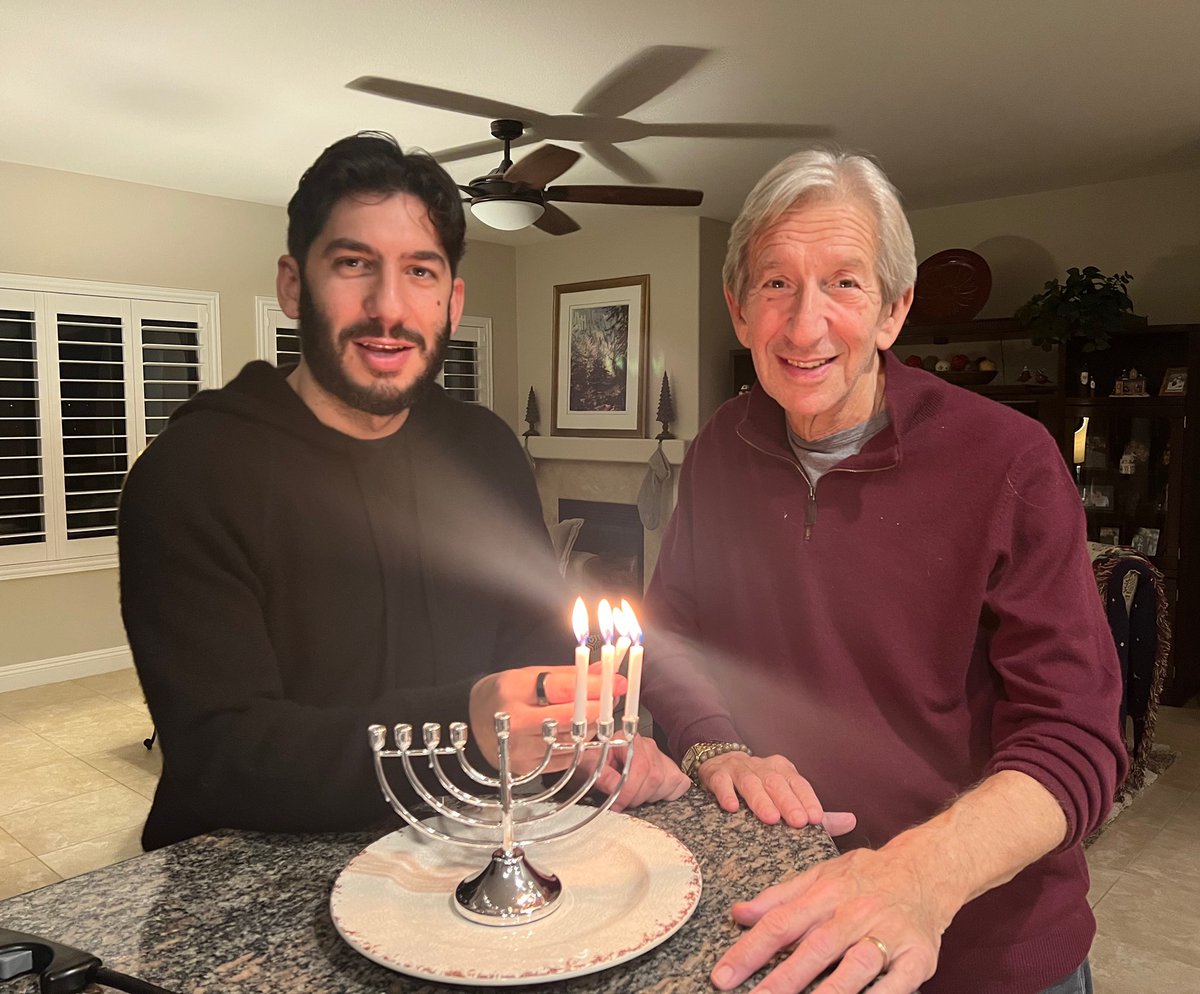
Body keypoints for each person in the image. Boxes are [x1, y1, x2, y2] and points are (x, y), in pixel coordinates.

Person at [641, 149, 1126, 994]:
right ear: (738, 308)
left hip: (981, 948)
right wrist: (714, 745)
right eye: (776, 285)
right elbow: (671, 628)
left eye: (845, 284)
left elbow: (1078, 740)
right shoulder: (719, 446)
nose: (804, 327)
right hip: (777, 913)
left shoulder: (1010, 460)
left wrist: (914, 876)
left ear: (896, 309)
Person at [119, 132, 687, 851]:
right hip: (258, 871)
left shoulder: (485, 449)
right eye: (354, 263)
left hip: (471, 844)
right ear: (293, 284)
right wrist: (468, 725)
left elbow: (534, 639)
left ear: (452, 301)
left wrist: (588, 739)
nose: (388, 306)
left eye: (419, 272)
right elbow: (221, 755)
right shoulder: (192, 475)